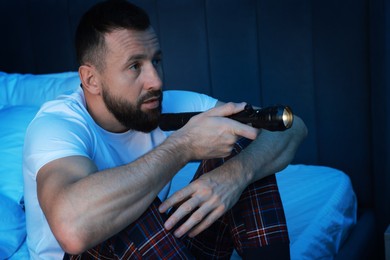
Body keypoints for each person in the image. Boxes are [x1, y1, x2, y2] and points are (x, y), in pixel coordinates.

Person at [23, 0, 307, 259]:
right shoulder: (56, 126)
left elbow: (291, 127)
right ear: (91, 80)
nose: (155, 81)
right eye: (135, 66)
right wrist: (183, 146)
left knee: (242, 143)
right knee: (128, 201)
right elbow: (72, 230)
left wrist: (235, 176)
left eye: (155, 61)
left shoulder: (167, 104)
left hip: (163, 247)